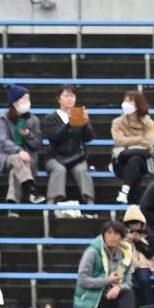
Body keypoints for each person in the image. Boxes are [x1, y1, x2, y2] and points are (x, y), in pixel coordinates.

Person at [73, 220, 136, 308]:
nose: (112, 236)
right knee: (128, 305)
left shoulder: (126, 255)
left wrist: (118, 288)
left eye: (116, 234)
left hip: (113, 295)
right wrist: (107, 281)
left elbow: (128, 281)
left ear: (121, 238)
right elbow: (82, 280)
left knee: (129, 293)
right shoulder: (93, 252)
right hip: (94, 297)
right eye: (109, 233)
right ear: (103, 235)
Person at [42, 85, 94, 214]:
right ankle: (53, 201)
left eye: (72, 96)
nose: (69, 99)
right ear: (59, 99)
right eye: (66, 96)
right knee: (59, 170)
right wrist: (69, 124)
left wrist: (86, 123)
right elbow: (54, 138)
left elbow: (89, 138)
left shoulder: (79, 115)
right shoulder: (51, 118)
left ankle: (89, 203)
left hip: (77, 156)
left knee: (82, 170)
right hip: (55, 157)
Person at [0, 84, 43, 205]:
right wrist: (19, 151)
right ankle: (32, 189)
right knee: (18, 158)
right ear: (14, 102)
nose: (27, 102)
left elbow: (38, 144)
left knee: (16, 169)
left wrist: (28, 135)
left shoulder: (33, 120)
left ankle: (12, 204)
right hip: (5, 157)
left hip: (28, 160)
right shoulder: (3, 118)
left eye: (28, 99)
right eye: (24, 99)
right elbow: (3, 141)